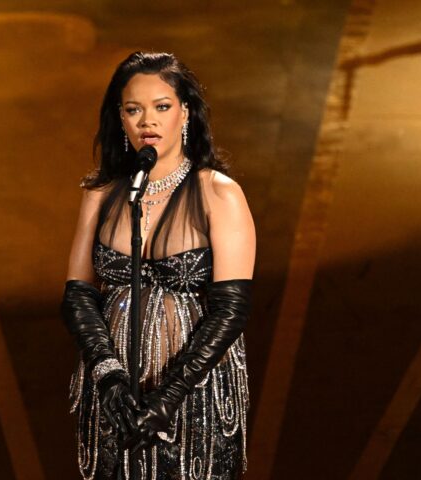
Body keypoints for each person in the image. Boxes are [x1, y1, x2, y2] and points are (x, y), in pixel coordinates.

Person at [61, 51, 256, 480]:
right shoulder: (101, 194)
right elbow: (78, 295)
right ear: (120, 118)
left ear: (185, 112)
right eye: (134, 110)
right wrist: (109, 376)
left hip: (193, 394)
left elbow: (232, 309)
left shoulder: (219, 194)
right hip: (114, 394)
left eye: (161, 107)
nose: (147, 121)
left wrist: (169, 396)